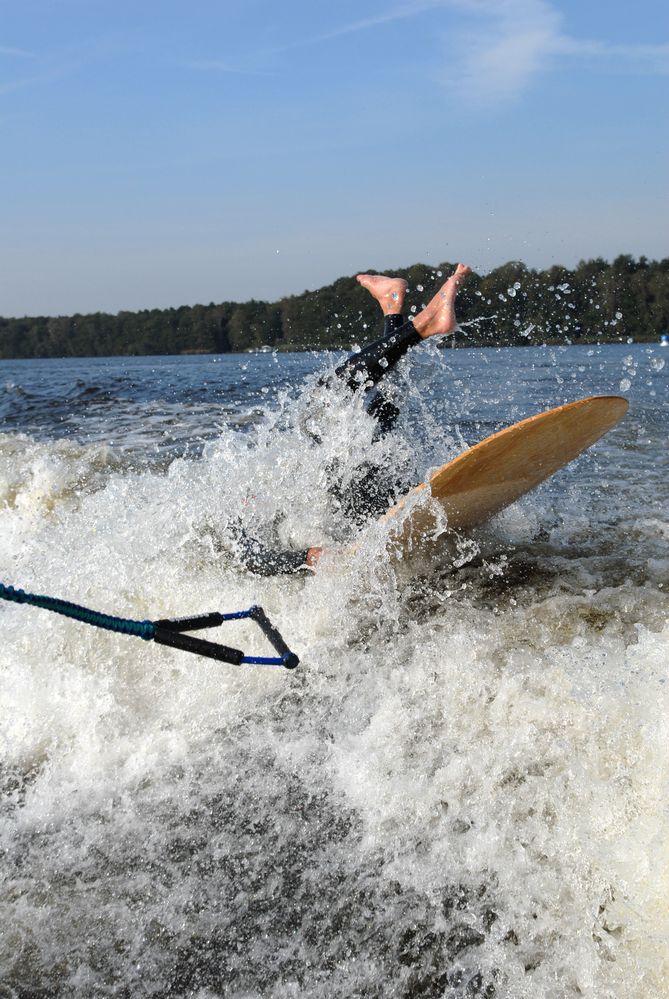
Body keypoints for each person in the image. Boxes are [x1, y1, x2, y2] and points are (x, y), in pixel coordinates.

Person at [234, 263, 471, 574]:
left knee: (381, 413)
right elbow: (250, 561)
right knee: (325, 397)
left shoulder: (267, 494)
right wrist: (306, 558)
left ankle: (392, 310)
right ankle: (423, 323)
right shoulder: (238, 525)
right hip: (362, 500)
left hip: (369, 494)